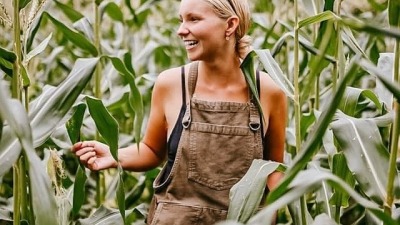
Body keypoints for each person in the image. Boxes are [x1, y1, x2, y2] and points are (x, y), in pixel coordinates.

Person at [72, 0, 287, 224]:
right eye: (181, 20)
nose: (181, 30)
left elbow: (272, 169)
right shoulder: (172, 84)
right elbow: (152, 151)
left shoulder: (268, 92)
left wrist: (271, 214)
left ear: (230, 25)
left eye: (194, 19)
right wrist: (114, 155)